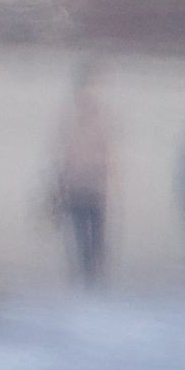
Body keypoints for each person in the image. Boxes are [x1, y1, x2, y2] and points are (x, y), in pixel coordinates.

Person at [49, 65, 114, 286]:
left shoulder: (94, 119)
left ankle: (90, 276)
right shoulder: (77, 120)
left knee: (92, 237)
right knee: (84, 236)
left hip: (91, 187)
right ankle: (88, 277)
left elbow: (105, 155)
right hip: (81, 187)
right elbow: (65, 155)